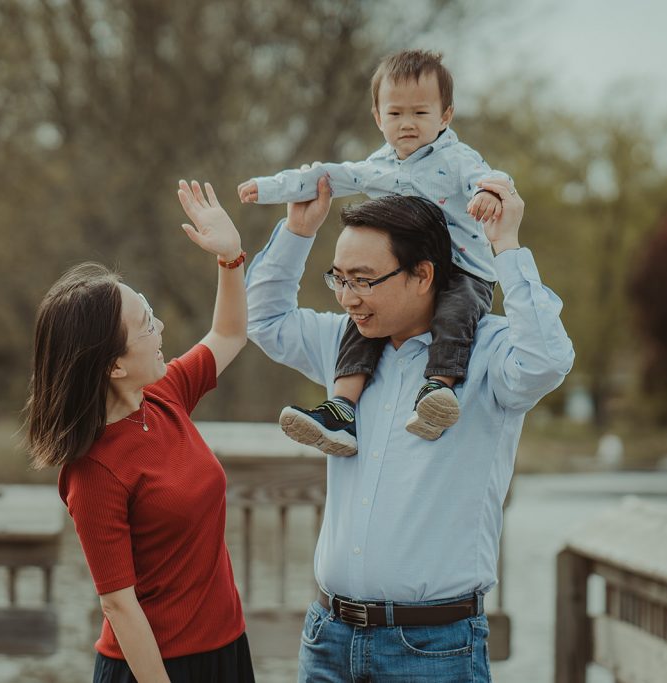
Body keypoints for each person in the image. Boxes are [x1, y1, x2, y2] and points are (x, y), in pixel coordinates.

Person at [245, 175, 573, 682]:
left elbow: (549, 360)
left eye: (364, 279)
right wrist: (297, 233)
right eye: (339, 279)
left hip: (433, 651)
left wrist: (506, 246)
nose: (347, 298)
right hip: (328, 637)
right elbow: (264, 320)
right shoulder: (344, 347)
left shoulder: (490, 352)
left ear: (423, 275)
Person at [25, 181, 256, 683]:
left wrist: (231, 257)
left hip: (227, 649)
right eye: (147, 322)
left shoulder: (165, 394)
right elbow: (118, 605)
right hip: (155, 668)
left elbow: (231, 333)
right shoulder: (93, 470)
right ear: (112, 366)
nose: (161, 328)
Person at [239, 49, 511, 455]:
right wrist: (273, 189)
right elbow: (326, 175)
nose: (407, 124)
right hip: (398, 283)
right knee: (362, 323)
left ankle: (438, 388)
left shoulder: (456, 160)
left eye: (421, 114)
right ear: (378, 117)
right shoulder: (378, 165)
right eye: (396, 113)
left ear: (446, 116)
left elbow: (491, 177)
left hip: (462, 271)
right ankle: (342, 409)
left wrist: (490, 194)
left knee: (456, 314)